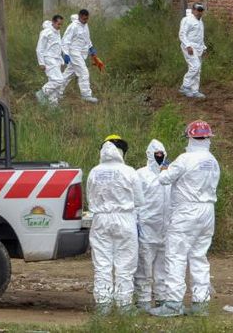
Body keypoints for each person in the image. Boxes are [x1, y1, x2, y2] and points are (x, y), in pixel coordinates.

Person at [150, 121, 220, 318]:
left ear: (190, 137)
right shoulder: (212, 160)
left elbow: (164, 180)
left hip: (186, 211)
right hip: (207, 211)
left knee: (176, 255)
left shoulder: (185, 158)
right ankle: (200, 303)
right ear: (208, 138)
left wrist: (164, 166)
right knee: (199, 257)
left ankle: (173, 303)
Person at [87, 135, 144, 315]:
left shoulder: (94, 172)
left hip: (101, 220)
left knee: (102, 263)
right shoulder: (129, 171)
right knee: (125, 264)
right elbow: (139, 200)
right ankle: (124, 305)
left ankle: (103, 305)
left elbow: (90, 198)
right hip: (125, 219)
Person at [134, 139, 171, 313]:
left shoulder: (169, 174)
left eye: (161, 154)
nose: (159, 156)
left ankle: (162, 299)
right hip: (147, 228)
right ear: (149, 154)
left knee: (163, 268)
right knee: (144, 266)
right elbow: (134, 201)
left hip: (166, 229)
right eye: (156, 154)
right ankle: (143, 300)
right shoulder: (141, 174)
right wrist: (136, 223)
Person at [60, 9, 99, 103]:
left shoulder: (85, 26)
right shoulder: (73, 26)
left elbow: (87, 38)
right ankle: (86, 95)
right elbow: (65, 41)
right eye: (84, 19)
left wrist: (91, 48)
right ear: (80, 16)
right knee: (84, 72)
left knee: (68, 74)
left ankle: (54, 92)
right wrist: (65, 54)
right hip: (74, 52)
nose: (86, 20)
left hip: (81, 53)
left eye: (87, 19)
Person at [179, 2, 207, 99]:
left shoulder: (200, 21)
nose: (199, 12)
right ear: (193, 10)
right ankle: (185, 86)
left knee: (198, 70)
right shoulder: (187, 20)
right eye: (198, 10)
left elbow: (200, 36)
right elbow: (182, 34)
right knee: (195, 66)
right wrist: (188, 46)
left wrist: (204, 48)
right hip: (189, 47)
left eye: (201, 10)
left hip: (198, 47)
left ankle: (195, 90)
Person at [35, 15, 65, 106]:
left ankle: (53, 106)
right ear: (53, 22)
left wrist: (61, 60)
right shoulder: (46, 32)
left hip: (56, 60)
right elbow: (39, 48)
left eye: (61, 24)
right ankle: (42, 93)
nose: (59, 26)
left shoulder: (57, 32)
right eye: (58, 24)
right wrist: (41, 63)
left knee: (55, 83)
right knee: (59, 80)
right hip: (49, 60)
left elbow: (57, 46)